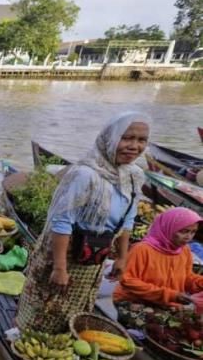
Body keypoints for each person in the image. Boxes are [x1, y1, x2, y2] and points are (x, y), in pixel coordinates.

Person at [16, 112, 150, 333]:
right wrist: (60, 267)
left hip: (94, 255)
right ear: (110, 138)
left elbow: (128, 218)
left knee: (76, 308)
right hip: (62, 252)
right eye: (127, 138)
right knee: (45, 304)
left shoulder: (134, 175)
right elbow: (62, 221)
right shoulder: (85, 174)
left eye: (141, 140)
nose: (134, 146)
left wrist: (122, 257)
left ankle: (63, 342)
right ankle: (25, 338)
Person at [113, 208, 203, 307]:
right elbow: (127, 280)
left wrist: (200, 283)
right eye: (183, 231)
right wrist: (169, 294)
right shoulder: (142, 249)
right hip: (134, 302)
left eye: (193, 232)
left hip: (166, 304)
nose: (188, 237)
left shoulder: (184, 251)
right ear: (168, 227)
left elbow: (186, 278)